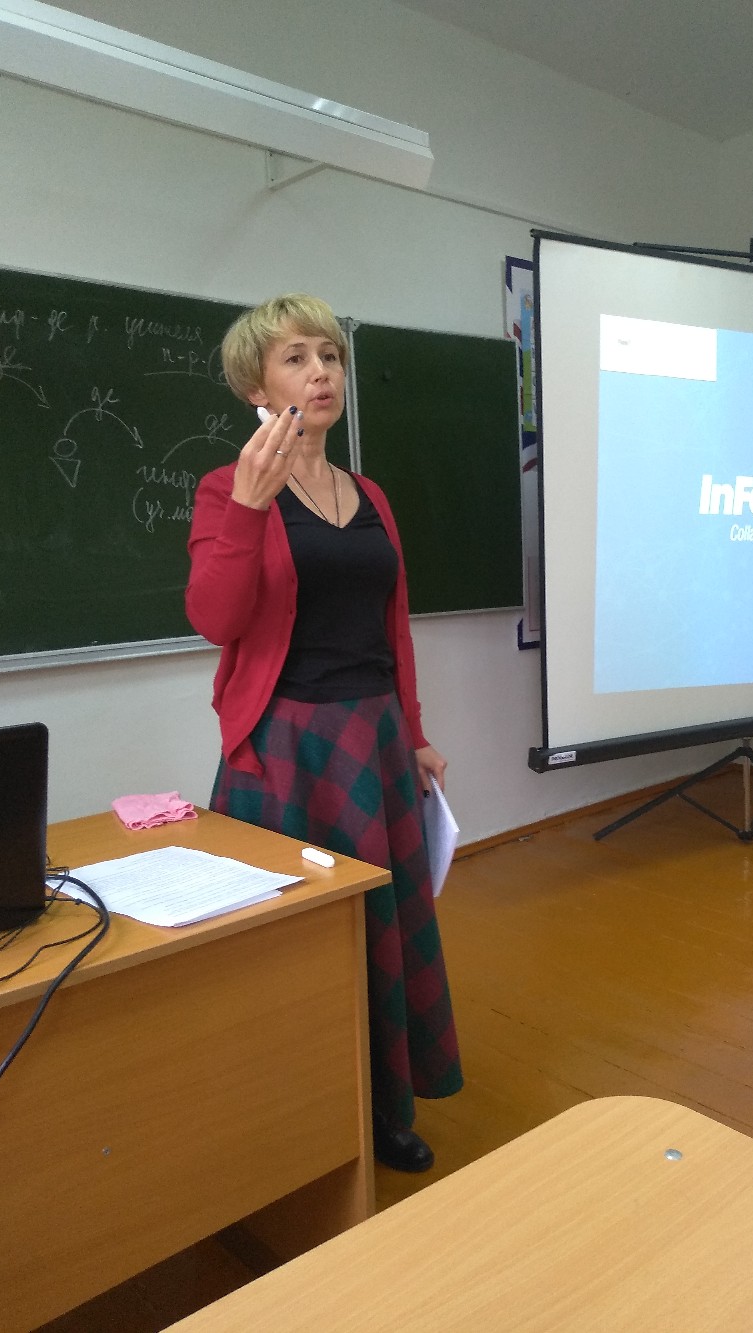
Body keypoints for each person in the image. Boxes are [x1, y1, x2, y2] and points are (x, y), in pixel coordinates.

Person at [186, 293, 462, 1172]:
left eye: (330, 356)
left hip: (373, 741)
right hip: (285, 748)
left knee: (380, 925)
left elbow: (393, 628)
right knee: (294, 941)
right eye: (296, 358)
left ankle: (383, 1107)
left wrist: (413, 732)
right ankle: (291, 1112)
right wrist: (249, 508)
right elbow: (215, 618)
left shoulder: (367, 493)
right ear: (255, 387)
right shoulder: (226, 489)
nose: (320, 373)